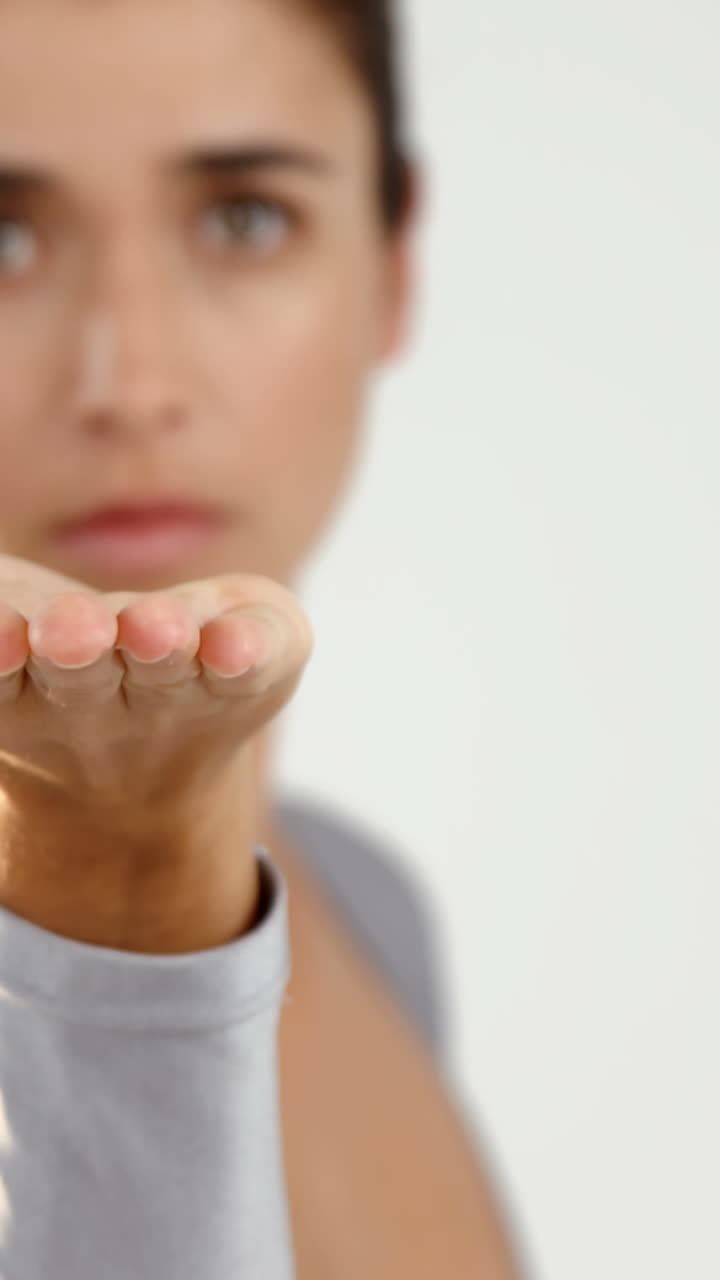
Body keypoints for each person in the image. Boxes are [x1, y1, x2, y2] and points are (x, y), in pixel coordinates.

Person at [0, 1, 524, 1275]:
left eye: (244, 219)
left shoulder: (366, 901)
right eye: (0, 239)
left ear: (392, 264)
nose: (129, 379)